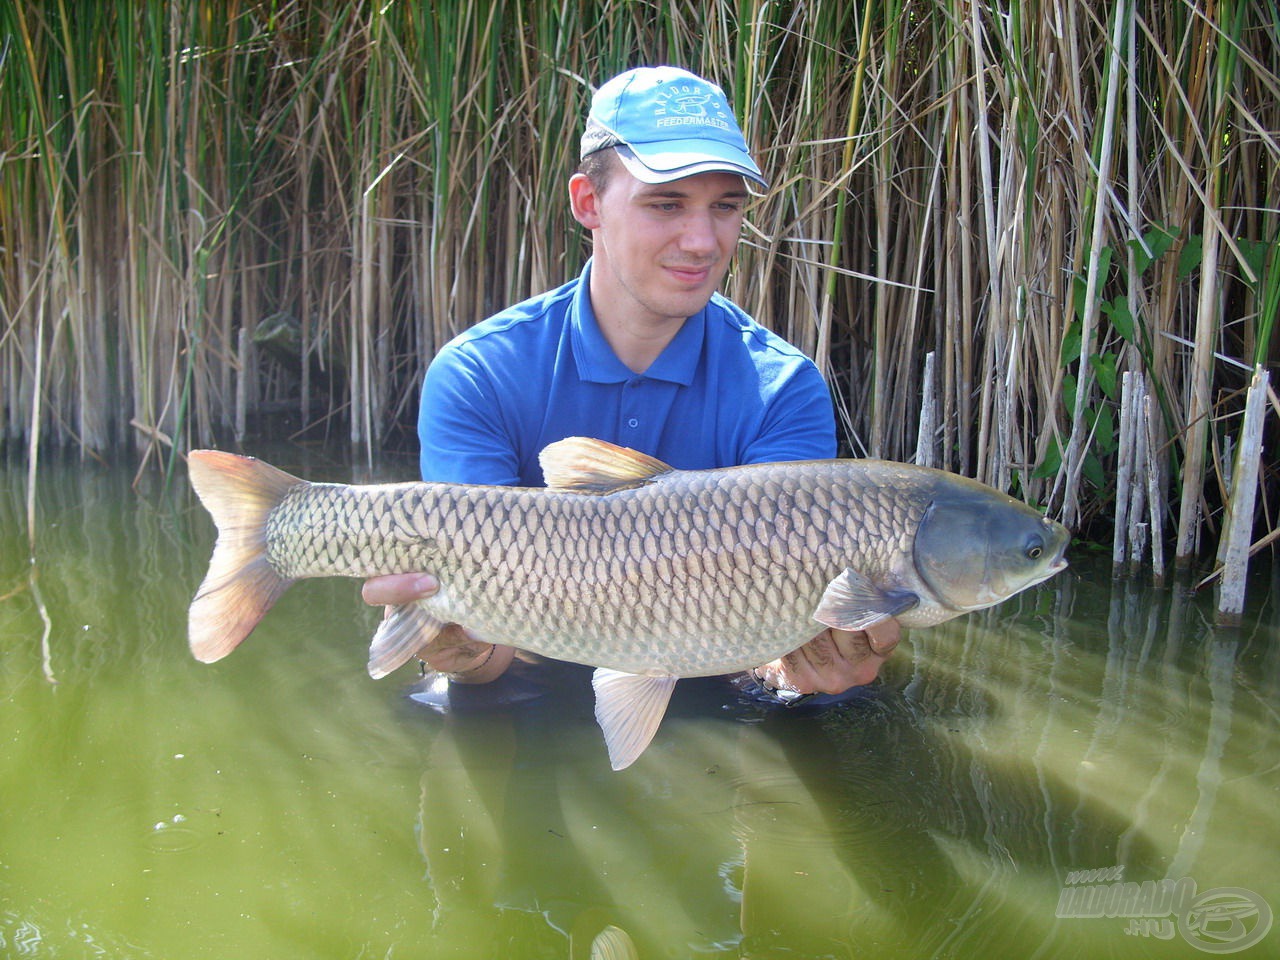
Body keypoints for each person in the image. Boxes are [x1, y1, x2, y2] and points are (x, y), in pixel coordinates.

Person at [361, 65, 898, 698]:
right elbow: (491, 652)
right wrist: (462, 650)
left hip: (709, 670)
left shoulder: (782, 387)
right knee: (455, 702)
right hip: (531, 669)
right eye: (666, 204)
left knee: (833, 705)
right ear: (589, 202)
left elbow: (770, 631)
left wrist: (795, 670)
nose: (703, 241)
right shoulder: (479, 372)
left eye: (725, 207)